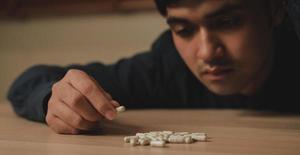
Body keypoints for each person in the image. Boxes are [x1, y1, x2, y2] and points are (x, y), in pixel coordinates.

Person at [7, 0, 300, 134]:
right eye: (184, 29)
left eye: (228, 22)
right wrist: (55, 97)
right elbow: (29, 81)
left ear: (276, 10)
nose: (208, 51)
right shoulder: (167, 66)